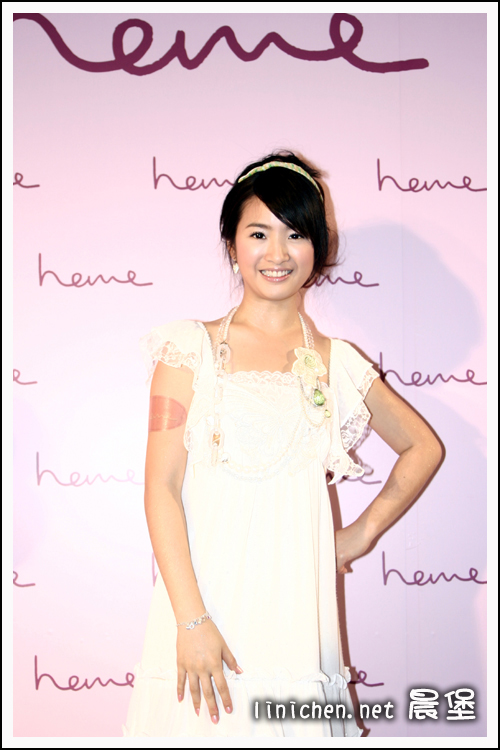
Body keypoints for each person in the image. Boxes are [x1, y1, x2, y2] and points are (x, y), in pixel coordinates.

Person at [123, 152, 442, 737]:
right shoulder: (188, 351)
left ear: (317, 247)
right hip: (202, 606)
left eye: (295, 234)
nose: (277, 253)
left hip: (295, 619)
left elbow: (423, 447)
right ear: (231, 244)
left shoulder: (336, 362)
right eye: (258, 233)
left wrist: (359, 536)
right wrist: (191, 621)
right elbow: (161, 488)